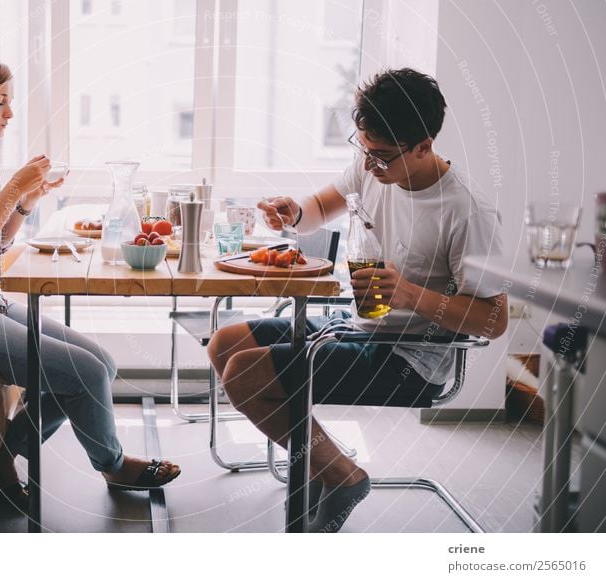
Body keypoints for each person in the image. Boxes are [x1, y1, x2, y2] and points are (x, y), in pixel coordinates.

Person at [208, 68, 507, 532]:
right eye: (364, 150)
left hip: (414, 358)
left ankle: (343, 476)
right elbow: (318, 209)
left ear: (424, 146)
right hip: (361, 326)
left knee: (245, 374)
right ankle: (328, 466)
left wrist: (409, 293)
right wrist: (293, 213)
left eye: (382, 156)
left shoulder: (467, 211)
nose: (369, 166)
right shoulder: (374, 166)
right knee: (224, 344)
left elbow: (493, 320)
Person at [0, 54, 180, 511]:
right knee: (85, 374)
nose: (9, 113)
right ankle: (112, 464)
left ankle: (3, 457)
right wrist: (11, 191)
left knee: (102, 364)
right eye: (0, 101)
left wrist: (26, 201)